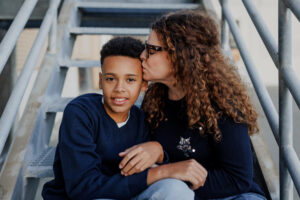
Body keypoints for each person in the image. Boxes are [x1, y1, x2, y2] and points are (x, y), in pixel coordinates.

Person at [118, 10, 267, 200]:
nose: (142, 55)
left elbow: (238, 179)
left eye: (151, 49)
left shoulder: (222, 104)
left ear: (180, 56)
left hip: (231, 195)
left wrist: (178, 180)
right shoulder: (154, 99)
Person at [42, 37, 195, 200]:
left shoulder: (141, 119)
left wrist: (159, 153)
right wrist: (159, 171)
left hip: (127, 193)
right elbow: (83, 188)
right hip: (89, 196)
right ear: (100, 81)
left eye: (130, 80)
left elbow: (149, 171)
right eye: (110, 79)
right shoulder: (81, 113)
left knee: (176, 189)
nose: (119, 88)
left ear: (143, 85)